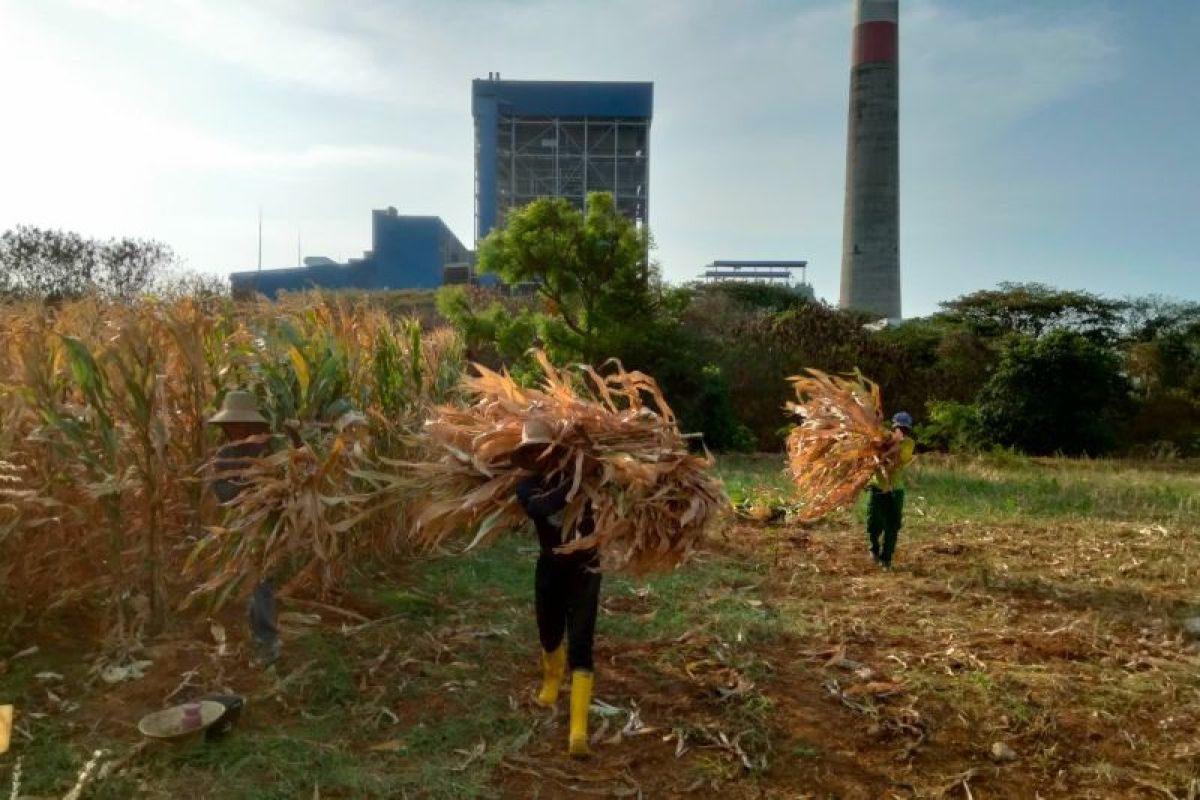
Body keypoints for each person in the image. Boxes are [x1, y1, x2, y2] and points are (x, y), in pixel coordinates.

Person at [511, 419, 601, 759]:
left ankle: (578, 731)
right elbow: (539, 508)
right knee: (549, 632)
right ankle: (552, 679)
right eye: (531, 449)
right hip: (550, 566)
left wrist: (590, 472)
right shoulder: (527, 487)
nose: (538, 454)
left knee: (582, 640)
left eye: (542, 447)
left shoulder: (588, 481)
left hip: (586, 567)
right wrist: (578, 479)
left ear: (554, 449)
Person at [207, 390, 282, 668]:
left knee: (260, 581)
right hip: (238, 527)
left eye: (240, 423)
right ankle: (245, 634)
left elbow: (295, 479)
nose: (235, 429)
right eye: (232, 424)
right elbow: (222, 492)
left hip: (268, 525)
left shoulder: (271, 449)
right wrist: (250, 490)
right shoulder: (224, 455)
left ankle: (267, 641)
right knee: (247, 583)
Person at [867, 411, 916, 570]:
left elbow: (899, 460)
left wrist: (887, 452)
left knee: (892, 526)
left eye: (905, 429)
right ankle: (873, 550)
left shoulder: (908, 443)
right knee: (874, 523)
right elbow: (869, 458)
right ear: (894, 426)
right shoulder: (881, 438)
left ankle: (886, 559)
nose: (901, 431)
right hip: (877, 487)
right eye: (899, 427)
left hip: (895, 491)